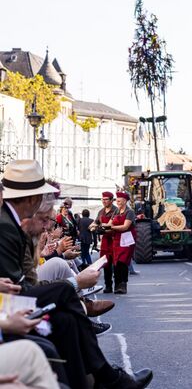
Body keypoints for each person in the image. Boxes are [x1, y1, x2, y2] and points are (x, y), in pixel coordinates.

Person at [0, 160, 153, 389]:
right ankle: (108, 375)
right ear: (32, 199)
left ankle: (99, 380)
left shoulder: (10, 222)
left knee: (67, 321)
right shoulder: (7, 226)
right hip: (9, 303)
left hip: (9, 299)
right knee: (63, 290)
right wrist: (71, 283)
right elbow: (19, 287)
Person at [90, 191, 118, 293]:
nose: (104, 201)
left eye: (106, 199)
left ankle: (118, 285)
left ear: (111, 200)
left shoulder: (116, 211)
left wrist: (101, 227)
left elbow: (112, 225)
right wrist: (92, 227)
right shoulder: (101, 212)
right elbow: (94, 223)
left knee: (117, 264)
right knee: (106, 264)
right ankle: (108, 285)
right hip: (105, 241)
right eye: (103, 199)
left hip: (115, 239)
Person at [108, 192, 136, 294]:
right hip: (116, 239)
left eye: (119, 201)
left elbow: (125, 227)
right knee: (116, 263)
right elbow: (109, 224)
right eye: (117, 200)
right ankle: (117, 285)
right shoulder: (116, 211)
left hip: (126, 239)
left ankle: (123, 285)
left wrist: (111, 227)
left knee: (122, 262)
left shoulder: (130, 212)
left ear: (124, 201)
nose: (117, 202)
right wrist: (100, 227)